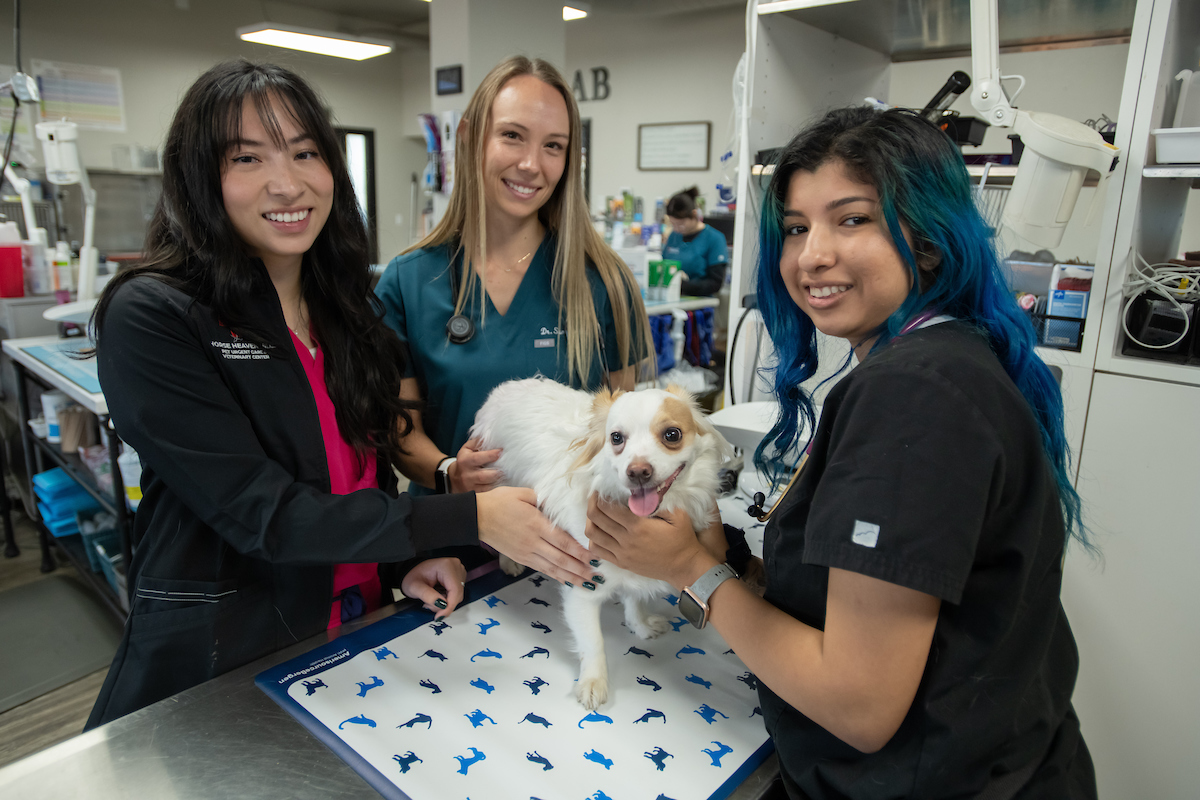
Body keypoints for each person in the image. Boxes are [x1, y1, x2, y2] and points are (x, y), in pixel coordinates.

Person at [586, 106, 1097, 799]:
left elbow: (859, 706)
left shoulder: (915, 396)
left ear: (926, 239)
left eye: (851, 219)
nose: (810, 255)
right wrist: (737, 563)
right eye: (796, 228)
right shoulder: (952, 359)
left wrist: (692, 572)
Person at [86, 60, 595, 728]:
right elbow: (266, 514)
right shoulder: (156, 316)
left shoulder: (347, 311)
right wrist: (472, 517)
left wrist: (396, 566)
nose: (287, 182)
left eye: (305, 153)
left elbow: (355, 477)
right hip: (227, 663)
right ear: (199, 177)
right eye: (247, 158)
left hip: (354, 635)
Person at [375, 56, 652, 500]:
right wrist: (449, 472)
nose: (530, 164)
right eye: (512, 136)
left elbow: (627, 432)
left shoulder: (603, 282)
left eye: (553, 146)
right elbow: (400, 435)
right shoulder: (409, 282)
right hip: (449, 544)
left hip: (567, 542)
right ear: (469, 138)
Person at [661, 186, 729, 296]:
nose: (677, 229)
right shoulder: (674, 236)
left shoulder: (714, 238)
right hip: (672, 298)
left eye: (681, 224)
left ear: (694, 214)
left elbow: (715, 283)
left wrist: (684, 285)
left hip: (701, 303)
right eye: (673, 224)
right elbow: (664, 265)